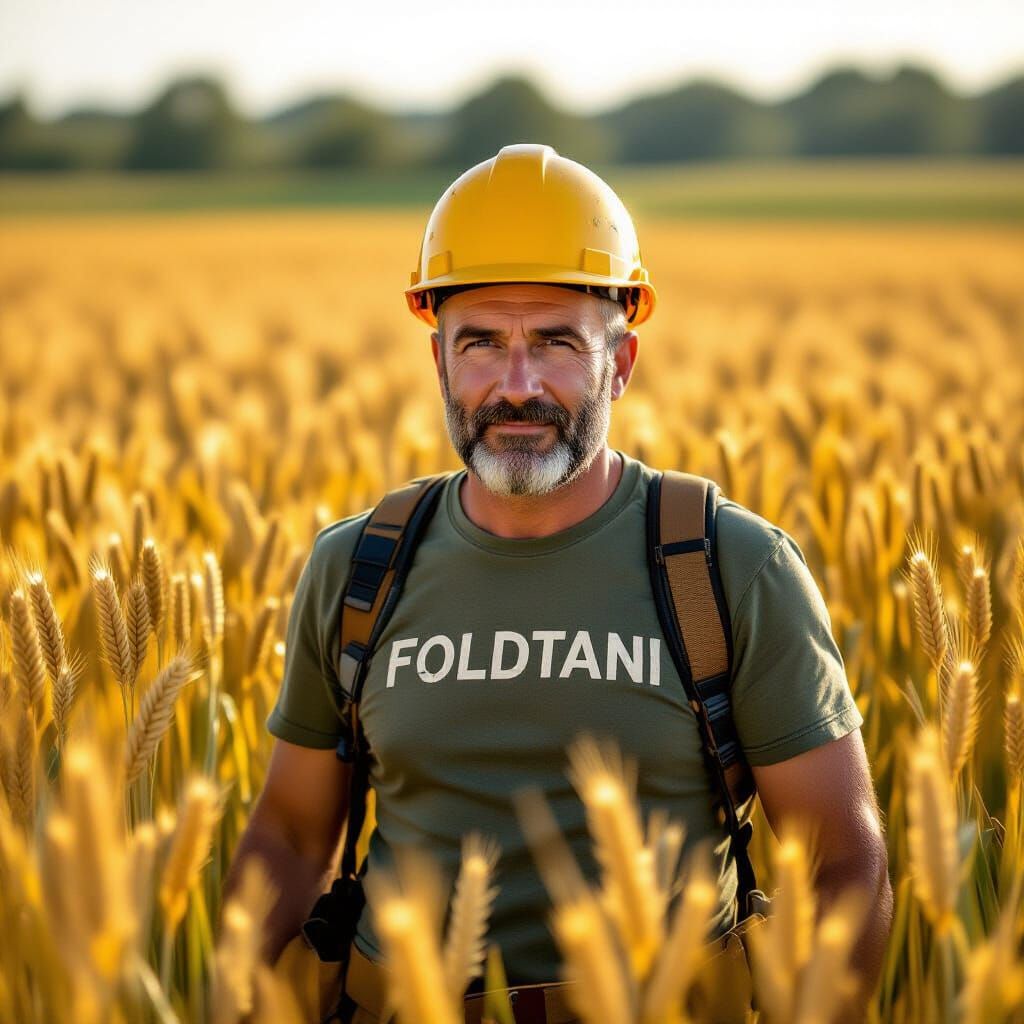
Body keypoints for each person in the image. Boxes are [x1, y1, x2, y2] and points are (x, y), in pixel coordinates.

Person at [224, 143, 892, 1022]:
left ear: (621, 361)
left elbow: (843, 859)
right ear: (438, 364)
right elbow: (292, 831)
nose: (516, 386)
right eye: (481, 345)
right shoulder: (356, 568)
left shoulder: (727, 564)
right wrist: (230, 991)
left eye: (555, 344)